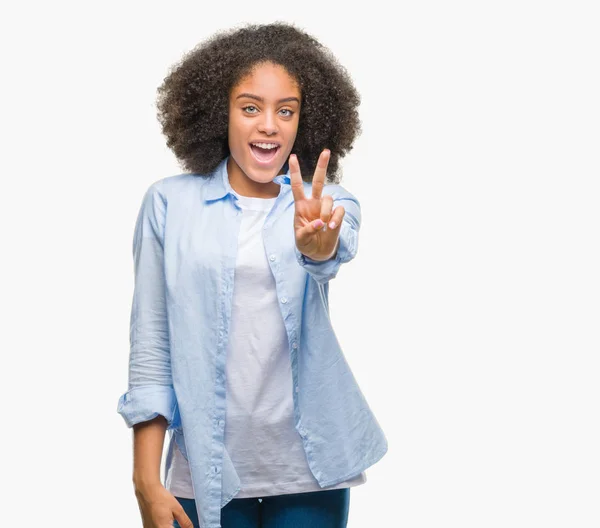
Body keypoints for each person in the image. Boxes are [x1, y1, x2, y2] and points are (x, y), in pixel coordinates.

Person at [116, 22, 388, 528]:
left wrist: (317, 244)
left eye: (286, 110)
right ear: (220, 113)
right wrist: (145, 481)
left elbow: (331, 246)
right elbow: (152, 347)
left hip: (310, 471)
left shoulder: (325, 204)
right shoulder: (168, 203)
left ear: (304, 120)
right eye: (250, 107)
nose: (269, 125)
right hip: (204, 469)